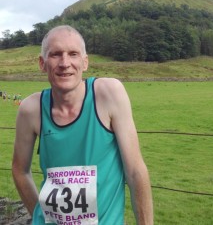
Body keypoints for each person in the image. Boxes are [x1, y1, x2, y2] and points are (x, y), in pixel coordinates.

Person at [12, 25, 153, 225]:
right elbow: (20, 170)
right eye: (55, 54)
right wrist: (41, 215)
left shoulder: (108, 93)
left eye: (73, 54)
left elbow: (135, 171)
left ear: (85, 62)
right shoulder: (30, 109)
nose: (65, 63)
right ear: (42, 63)